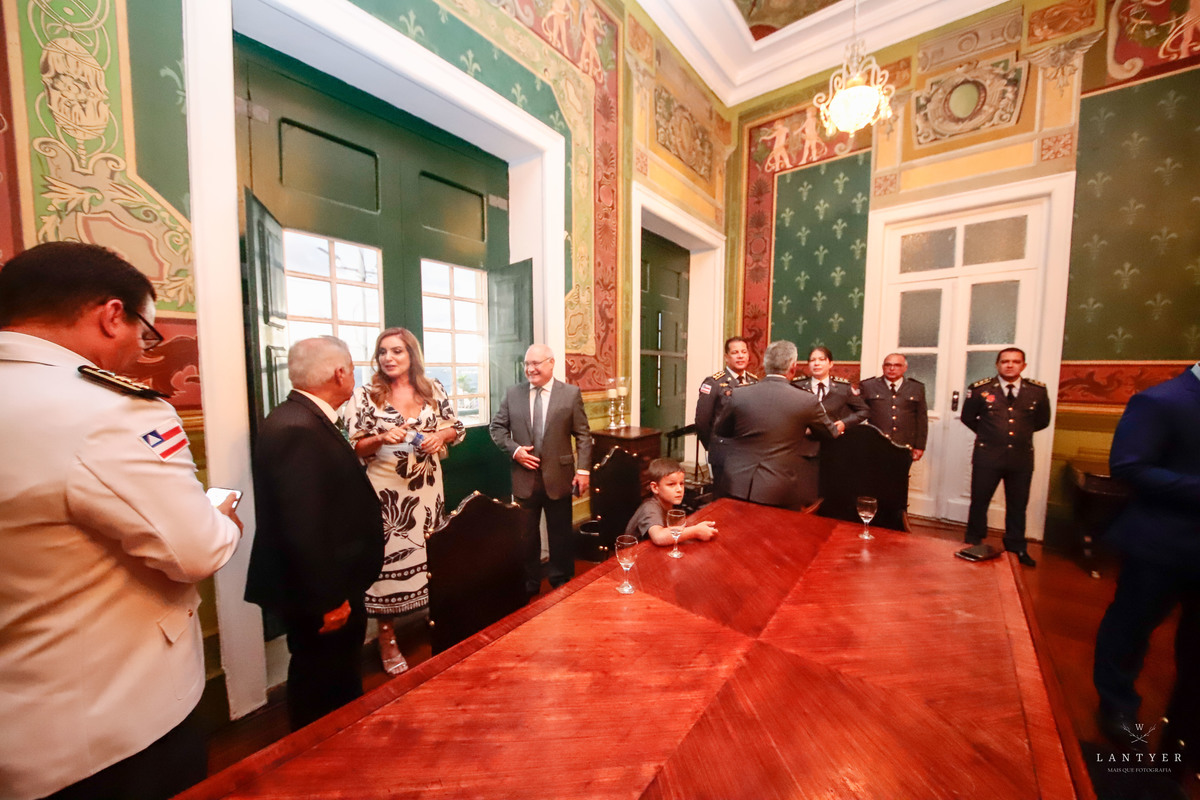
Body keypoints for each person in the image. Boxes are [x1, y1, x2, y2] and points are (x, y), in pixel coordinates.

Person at [0, 241, 242, 800]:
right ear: (113, 316)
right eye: (145, 332)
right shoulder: (108, 411)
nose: (141, 349)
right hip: (108, 734)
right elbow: (197, 550)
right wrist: (219, 511)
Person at [245, 337, 385, 731]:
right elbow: (302, 526)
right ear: (340, 373)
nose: (354, 376)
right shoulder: (298, 429)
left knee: (335, 675)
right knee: (323, 683)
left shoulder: (301, 417)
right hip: (322, 594)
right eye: (353, 369)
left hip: (328, 585)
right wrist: (329, 599)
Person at [1092, 362, 1199, 783]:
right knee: (1131, 626)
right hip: (1160, 543)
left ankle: (1187, 724)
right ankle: (1115, 702)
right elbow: (1129, 467)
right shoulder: (1161, 401)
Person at [344, 327, 465, 675]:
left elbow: (456, 428)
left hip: (427, 491)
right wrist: (381, 437)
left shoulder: (433, 389)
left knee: (433, 556)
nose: (388, 358)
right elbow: (355, 445)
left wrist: (439, 435)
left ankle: (437, 623)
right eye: (383, 352)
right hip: (387, 496)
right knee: (387, 565)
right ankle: (386, 638)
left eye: (397, 351)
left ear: (412, 355)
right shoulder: (367, 396)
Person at [489, 344, 592, 596]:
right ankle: (529, 584)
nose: (530, 369)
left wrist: (583, 471)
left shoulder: (570, 394)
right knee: (526, 537)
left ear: (551, 363)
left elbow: (583, 435)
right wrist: (516, 451)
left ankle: (561, 582)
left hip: (560, 478)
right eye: (527, 364)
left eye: (536, 363)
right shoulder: (513, 394)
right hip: (525, 479)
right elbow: (496, 428)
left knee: (560, 535)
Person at [713, 340, 836, 510]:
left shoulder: (739, 394)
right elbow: (830, 434)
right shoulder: (806, 400)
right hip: (777, 488)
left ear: (764, 365)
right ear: (793, 367)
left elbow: (721, 431)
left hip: (735, 482)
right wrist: (802, 430)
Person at [960, 347, 1050, 567]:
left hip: (1020, 458)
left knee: (1018, 505)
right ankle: (973, 541)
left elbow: (1042, 421)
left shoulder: (1036, 391)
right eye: (1005, 361)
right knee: (979, 502)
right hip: (987, 456)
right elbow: (968, 417)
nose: (1010, 365)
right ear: (997, 365)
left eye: (1015, 361)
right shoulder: (980, 389)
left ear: (1023, 366)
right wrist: (990, 434)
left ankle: (1017, 547)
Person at [624, 457, 718, 546]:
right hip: (635, 557)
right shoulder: (649, 508)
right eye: (671, 484)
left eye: (681, 483)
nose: (679, 489)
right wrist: (695, 531)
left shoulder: (669, 502)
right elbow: (659, 537)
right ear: (655, 487)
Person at [694, 336, 758, 454]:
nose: (740, 356)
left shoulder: (754, 382)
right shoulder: (714, 382)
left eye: (744, 352)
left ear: (748, 356)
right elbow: (702, 421)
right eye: (735, 352)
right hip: (722, 449)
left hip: (748, 449)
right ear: (726, 357)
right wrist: (712, 448)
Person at [859, 353, 928, 461]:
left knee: (900, 477)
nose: (892, 368)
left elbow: (921, 419)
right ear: (883, 367)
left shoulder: (916, 388)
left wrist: (919, 446)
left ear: (905, 368)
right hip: (875, 444)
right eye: (888, 365)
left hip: (904, 444)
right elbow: (858, 415)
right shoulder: (868, 386)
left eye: (897, 365)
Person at [792, 346, 868, 435]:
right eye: (812, 360)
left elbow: (864, 411)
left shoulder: (843, 388)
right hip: (805, 440)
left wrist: (845, 423)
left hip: (835, 439)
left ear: (830, 364)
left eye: (821, 359)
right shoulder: (797, 386)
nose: (816, 363)